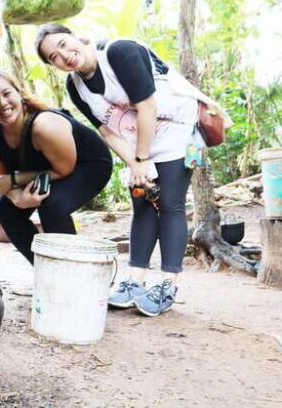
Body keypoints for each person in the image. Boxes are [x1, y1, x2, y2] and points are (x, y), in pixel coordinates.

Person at [35, 22, 214, 316]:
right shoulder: (75, 87)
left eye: (64, 44)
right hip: (136, 140)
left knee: (170, 205)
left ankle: (168, 285)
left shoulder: (119, 52)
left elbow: (147, 107)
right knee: (141, 204)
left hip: (176, 130)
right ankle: (135, 281)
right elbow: (107, 132)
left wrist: (142, 159)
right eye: (54, 56)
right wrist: (134, 164)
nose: (64, 55)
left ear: (77, 36)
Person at [0, 71, 112, 265]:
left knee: (53, 206)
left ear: (19, 93)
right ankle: (46, 270)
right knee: (6, 209)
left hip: (87, 165)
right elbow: (2, 179)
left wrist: (15, 181)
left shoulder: (44, 126)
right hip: (44, 169)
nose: (3, 103)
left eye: (7, 94)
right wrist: (18, 198)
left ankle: (73, 270)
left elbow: (63, 170)